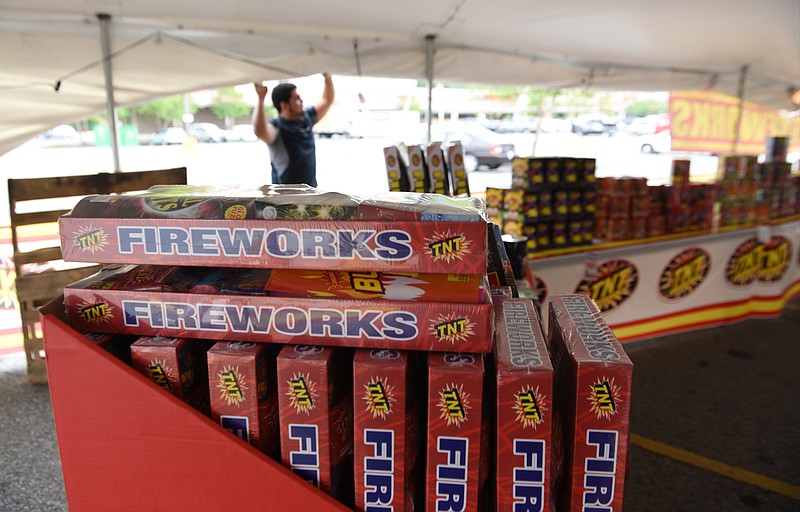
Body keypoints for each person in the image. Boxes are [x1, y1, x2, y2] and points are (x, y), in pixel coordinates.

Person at [252, 73, 334, 187]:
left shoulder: (306, 118)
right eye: (296, 99)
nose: (301, 101)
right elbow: (259, 130)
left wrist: (327, 78)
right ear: (284, 105)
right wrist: (260, 98)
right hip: (285, 199)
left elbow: (327, 100)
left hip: (310, 194)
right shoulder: (277, 126)